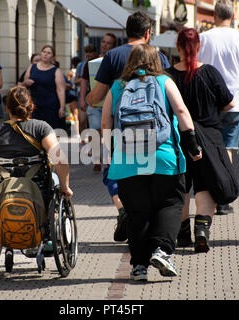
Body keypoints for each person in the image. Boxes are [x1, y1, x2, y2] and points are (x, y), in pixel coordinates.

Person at [101, 44, 202, 281]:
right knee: (170, 204)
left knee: (138, 213)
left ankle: (139, 267)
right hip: (163, 155)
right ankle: (162, 250)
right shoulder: (164, 82)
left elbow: (106, 122)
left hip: (127, 159)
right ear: (157, 62)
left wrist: (107, 154)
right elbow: (181, 111)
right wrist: (192, 144)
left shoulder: (117, 86)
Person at [86, 11, 171, 243]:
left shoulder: (112, 56)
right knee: (150, 174)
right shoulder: (159, 57)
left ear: (127, 32)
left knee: (115, 175)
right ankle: (150, 229)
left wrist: (87, 99)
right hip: (153, 130)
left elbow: (98, 95)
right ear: (147, 33)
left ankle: (124, 211)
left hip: (119, 129)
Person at [0, 85, 73, 270]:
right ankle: (52, 226)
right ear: (31, 107)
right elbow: (61, 162)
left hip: (2, 194)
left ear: (7, 109)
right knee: (56, 180)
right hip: (38, 194)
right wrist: (65, 187)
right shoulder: (41, 128)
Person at [166, 28, 235, 251]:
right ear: (199, 47)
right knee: (206, 184)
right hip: (210, 137)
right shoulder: (210, 73)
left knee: (183, 186)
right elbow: (229, 103)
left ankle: (183, 233)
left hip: (178, 137)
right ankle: (202, 229)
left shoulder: (167, 76)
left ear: (177, 47)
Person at [197, 0, 239, 215]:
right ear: (233, 17)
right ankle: (223, 198)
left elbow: (196, 69)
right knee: (228, 148)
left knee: (208, 148)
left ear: (214, 15)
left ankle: (209, 192)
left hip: (208, 104)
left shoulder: (203, 39)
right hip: (234, 103)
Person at [81, 33, 117, 172]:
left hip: (110, 102)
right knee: (95, 130)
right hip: (95, 102)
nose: (105, 45)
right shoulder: (91, 62)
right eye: (103, 41)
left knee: (108, 131)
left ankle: (108, 157)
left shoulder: (114, 60)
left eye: (109, 43)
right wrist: (82, 99)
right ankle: (97, 158)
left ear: (113, 46)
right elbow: (84, 82)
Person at [22, 45, 66, 130]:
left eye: (48, 53)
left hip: (50, 106)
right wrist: (26, 82)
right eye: (44, 52)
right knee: (34, 131)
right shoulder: (32, 67)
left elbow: (61, 90)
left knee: (49, 131)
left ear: (52, 57)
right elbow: (24, 84)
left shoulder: (56, 71)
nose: (45, 54)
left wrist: (62, 107)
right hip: (34, 105)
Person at [67, 56, 81, 138]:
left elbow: (68, 83)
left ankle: (77, 132)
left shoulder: (71, 72)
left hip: (73, 94)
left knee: (74, 114)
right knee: (78, 113)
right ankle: (79, 132)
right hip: (79, 93)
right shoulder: (80, 71)